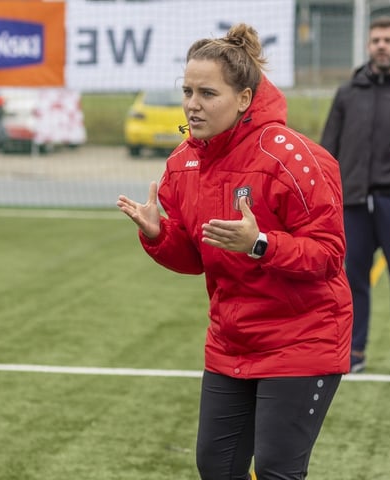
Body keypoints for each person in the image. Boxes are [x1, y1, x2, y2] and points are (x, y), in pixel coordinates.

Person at [116, 24, 351, 480]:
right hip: (230, 342)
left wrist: (260, 244)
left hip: (303, 338)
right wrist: (159, 235)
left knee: (278, 471)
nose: (192, 104)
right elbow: (195, 256)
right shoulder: (182, 162)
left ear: (243, 98)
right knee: (217, 468)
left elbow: (328, 255)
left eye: (207, 92)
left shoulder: (294, 157)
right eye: (187, 91)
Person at [320, 16, 390, 376]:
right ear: (368, 47)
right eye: (376, 40)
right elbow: (328, 146)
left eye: (388, 39)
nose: (381, 45)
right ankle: (353, 353)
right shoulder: (348, 92)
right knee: (352, 280)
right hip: (352, 200)